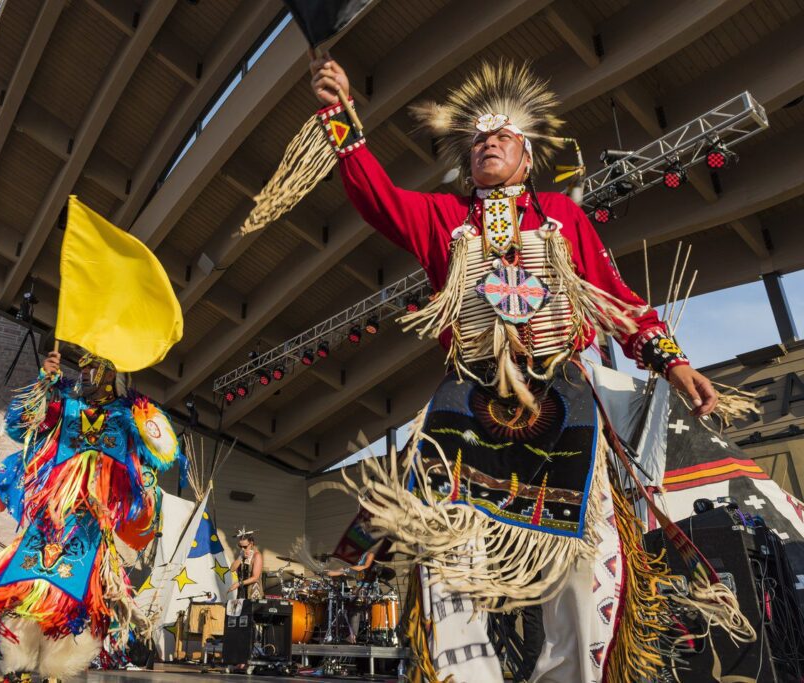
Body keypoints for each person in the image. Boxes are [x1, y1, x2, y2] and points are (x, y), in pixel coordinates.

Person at [308, 57, 749, 683]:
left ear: (528, 156)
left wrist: (672, 363)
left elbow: (615, 297)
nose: (489, 142)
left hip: (560, 398)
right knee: (445, 555)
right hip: (470, 397)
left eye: (504, 136)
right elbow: (377, 198)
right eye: (479, 138)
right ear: (467, 158)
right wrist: (340, 117)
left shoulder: (563, 220)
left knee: (582, 554)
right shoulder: (442, 218)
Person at [0, 350, 181, 683]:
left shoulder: (126, 415)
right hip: (51, 515)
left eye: (92, 369)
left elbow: (163, 452)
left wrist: (145, 416)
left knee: (69, 595)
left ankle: (56, 669)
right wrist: (44, 383)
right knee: (27, 586)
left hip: (90, 522)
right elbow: (18, 427)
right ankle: (20, 665)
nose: (83, 375)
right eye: (80, 369)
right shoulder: (64, 407)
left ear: (110, 375)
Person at [227, 528, 263, 600]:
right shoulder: (242, 554)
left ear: (251, 543)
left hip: (252, 592)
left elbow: (255, 578)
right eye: (240, 546)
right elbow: (232, 569)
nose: (242, 549)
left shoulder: (257, 555)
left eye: (245, 547)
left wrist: (239, 584)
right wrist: (240, 557)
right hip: (242, 591)